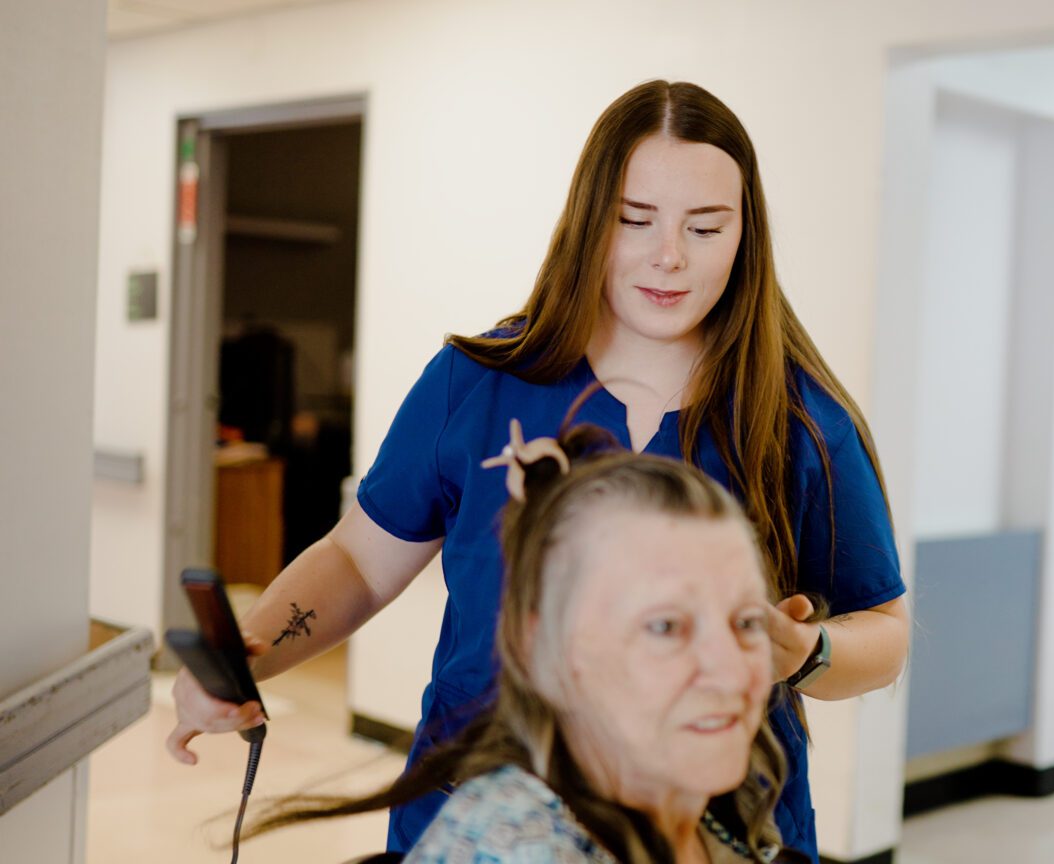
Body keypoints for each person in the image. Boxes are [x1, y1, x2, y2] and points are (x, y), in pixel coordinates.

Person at [169, 79, 909, 860]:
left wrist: (806, 654)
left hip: (709, 829)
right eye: (635, 220)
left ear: (745, 235)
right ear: (591, 220)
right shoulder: (479, 380)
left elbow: (882, 631)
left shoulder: (797, 420)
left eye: (705, 227)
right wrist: (247, 658)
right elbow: (358, 560)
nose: (669, 255)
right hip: (481, 803)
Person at [246, 421, 807, 863]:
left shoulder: (713, 802)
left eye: (747, 622)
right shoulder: (520, 846)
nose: (731, 672)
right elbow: (357, 562)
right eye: (665, 627)